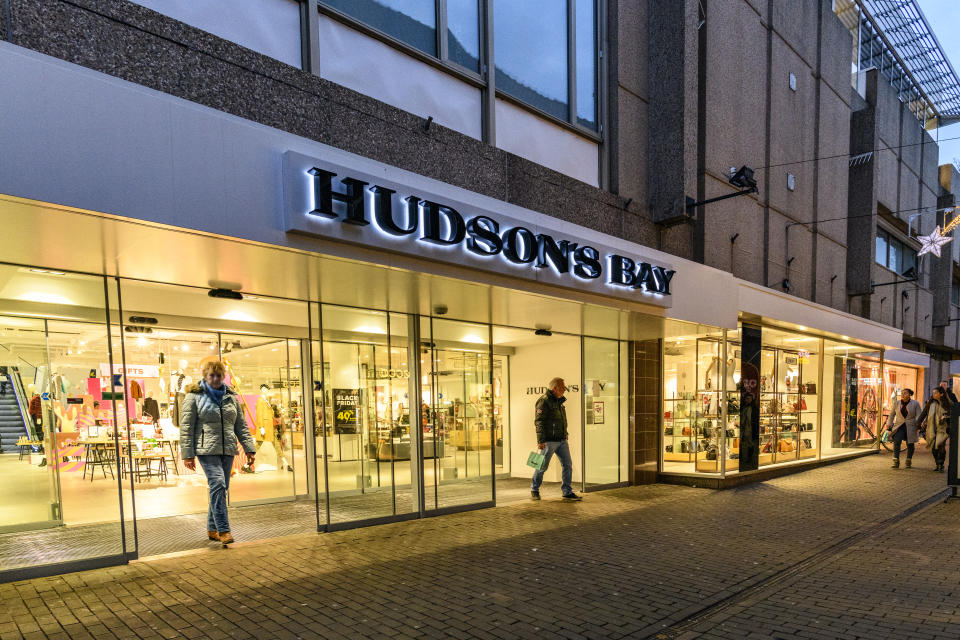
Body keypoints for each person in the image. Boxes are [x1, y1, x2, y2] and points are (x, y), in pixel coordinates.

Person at [180, 360, 256, 547]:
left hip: (228, 448)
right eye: (211, 375)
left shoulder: (231, 396)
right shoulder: (194, 396)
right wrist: (187, 454)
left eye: (218, 375)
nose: (215, 379)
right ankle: (223, 529)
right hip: (206, 449)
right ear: (205, 376)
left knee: (220, 489)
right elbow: (187, 427)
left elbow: (240, 425)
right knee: (218, 483)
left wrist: (249, 448)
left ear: (224, 376)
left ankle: (212, 528)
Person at [531, 377, 581, 501]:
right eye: (562, 387)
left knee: (567, 465)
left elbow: (561, 420)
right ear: (555, 388)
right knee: (541, 466)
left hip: (562, 440)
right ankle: (534, 489)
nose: (564, 389)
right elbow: (539, 421)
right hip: (549, 440)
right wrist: (540, 440)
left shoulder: (559, 401)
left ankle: (567, 491)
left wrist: (565, 432)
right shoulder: (544, 401)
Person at [884, 388, 921, 469]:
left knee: (910, 443)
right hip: (899, 425)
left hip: (911, 426)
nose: (903, 395)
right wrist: (889, 423)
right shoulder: (896, 403)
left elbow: (919, 415)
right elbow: (892, 415)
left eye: (905, 393)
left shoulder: (915, 403)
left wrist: (919, 424)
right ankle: (896, 460)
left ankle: (908, 460)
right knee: (897, 441)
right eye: (902, 393)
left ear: (910, 394)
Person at [920, 387, 951, 472]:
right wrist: (918, 423)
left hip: (943, 428)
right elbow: (924, 413)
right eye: (933, 393)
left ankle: (941, 464)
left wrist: (946, 417)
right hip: (932, 428)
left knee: (940, 445)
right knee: (933, 447)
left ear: (941, 394)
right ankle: (937, 463)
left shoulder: (947, 403)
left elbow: (952, 414)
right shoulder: (931, 403)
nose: (934, 394)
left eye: (936, 393)